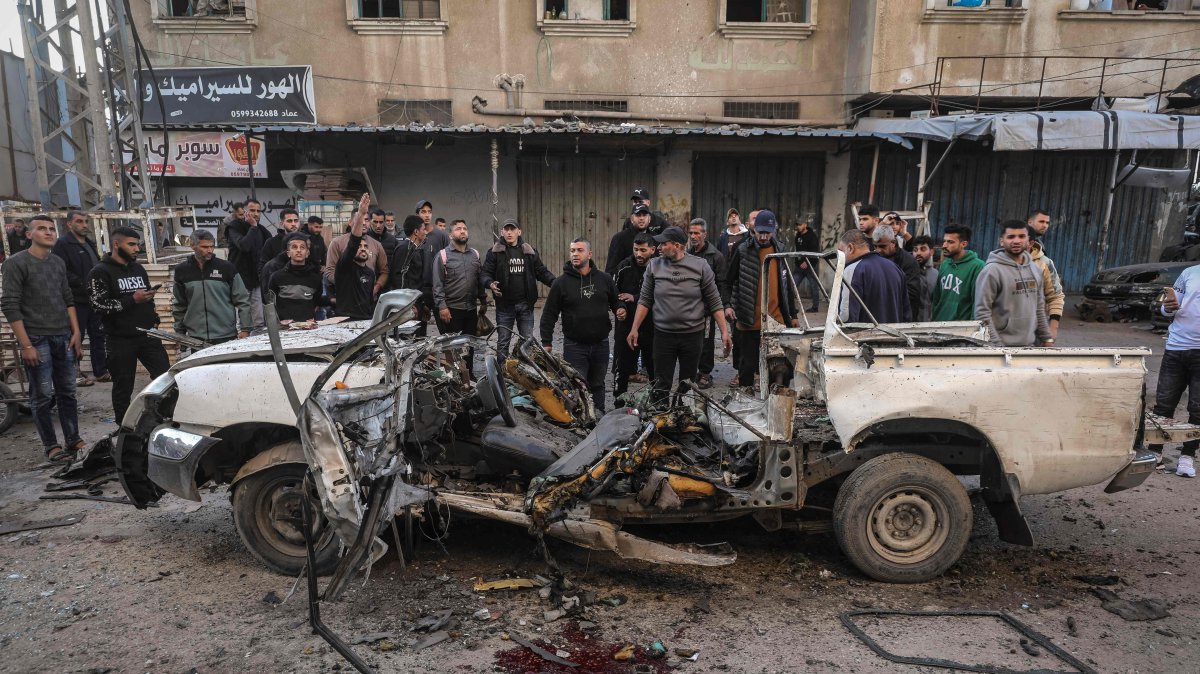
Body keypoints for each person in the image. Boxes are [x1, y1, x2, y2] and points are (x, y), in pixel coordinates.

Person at [1, 215, 83, 462]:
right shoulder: (16, 263)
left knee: (68, 392)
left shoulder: (57, 262)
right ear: (29, 234)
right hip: (37, 338)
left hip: (63, 336)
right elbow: (10, 305)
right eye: (41, 229)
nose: (48, 232)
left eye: (51, 229)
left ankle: (73, 440)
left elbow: (67, 298)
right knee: (42, 395)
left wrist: (76, 332)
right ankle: (51, 446)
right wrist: (26, 344)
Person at [629, 226, 730, 406]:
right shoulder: (654, 265)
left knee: (687, 384)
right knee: (661, 383)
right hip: (663, 335)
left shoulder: (700, 266)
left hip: (692, 335)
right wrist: (634, 328)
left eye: (663, 244)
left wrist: (724, 332)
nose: (659, 247)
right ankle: (660, 416)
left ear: (677, 246)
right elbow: (644, 300)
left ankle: (683, 416)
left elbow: (715, 301)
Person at [87, 226, 170, 423]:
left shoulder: (137, 268)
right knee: (123, 386)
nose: (136, 249)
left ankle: (164, 418)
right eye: (131, 244)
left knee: (165, 379)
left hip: (147, 335)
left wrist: (152, 314)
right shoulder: (100, 272)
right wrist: (132, 299)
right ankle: (124, 427)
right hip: (120, 339)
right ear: (116, 244)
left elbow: (145, 298)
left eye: (137, 244)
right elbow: (98, 305)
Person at [541, 239, 621, 412]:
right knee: (577, 386)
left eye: (579, 250)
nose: (575, 254)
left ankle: (599, 416)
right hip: (575, 346)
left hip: (601, 344)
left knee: (598, 384)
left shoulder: (604, 279)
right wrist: (546, 342)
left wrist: (621, 309)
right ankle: (581, 420)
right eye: (572, 251)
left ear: (589, 254)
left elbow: (616, 301)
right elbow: (549, 314)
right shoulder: (560, 283)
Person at [724, 211, 798, 390]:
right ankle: (747, 400)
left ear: (773, 231)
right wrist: (727, 305)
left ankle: (775, 400)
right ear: (753, 229)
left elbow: (786, 285)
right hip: (748, 320)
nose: (764, 237)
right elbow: (727, 282)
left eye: (767, 232)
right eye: (760, 232)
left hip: (775, 321)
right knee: (747, 368)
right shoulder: (742, 249)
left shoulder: (780, 250)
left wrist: (793, 314)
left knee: (780, 368)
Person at [1148, 264, 1200, 477]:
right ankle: (1155, 453)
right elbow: (1166, 308)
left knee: (1197, 409)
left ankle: (1187, 457)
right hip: (1176, 348)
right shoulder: (1189, 273)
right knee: (1164, 404)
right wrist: (1167, 307)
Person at [482, 218, 555, 358]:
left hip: (525, 305)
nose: (509, 232)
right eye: (506, 229)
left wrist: (556, 283)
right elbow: (485, 273)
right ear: (502, 232)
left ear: (519, 232)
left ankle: (524, 368)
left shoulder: (529, 251)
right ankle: (501, 369)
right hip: (504, 306)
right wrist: (490, 283)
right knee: (503, 342)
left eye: (512, 229)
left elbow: (541, 272)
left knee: (527, 342)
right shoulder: (494, 252)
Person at [975, 222, 1053, 347]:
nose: (1016, 241)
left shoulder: (1035, 269)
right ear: (1002, 241)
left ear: (1029, 241)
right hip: (1000, 347)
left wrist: (1047, 337)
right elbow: (982, 313)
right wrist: (997, 346)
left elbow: (1039, 307)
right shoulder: (991, 271)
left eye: (1021, 236)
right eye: (1011, 237)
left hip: (1029, 345)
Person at [51, 210, 108, 384]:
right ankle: (73, 374)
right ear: (69, 224)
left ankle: (101, 372)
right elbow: (61, 271)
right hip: (76, 300)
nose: (84, 225)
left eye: (85, 221)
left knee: (98, 335)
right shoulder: (63, 244)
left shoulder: (89, 243)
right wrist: (82, 283)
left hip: (94, 299)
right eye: (79, 221)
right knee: (76, 336)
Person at [172, 230, 251, 345]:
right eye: (204, 247)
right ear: (193, 245)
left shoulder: (226, 268)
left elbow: (242, 300)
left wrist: (246, 329)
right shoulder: (182, 271)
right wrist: (180, 331)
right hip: (195, 337)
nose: (209, 250)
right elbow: (179, 304)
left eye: (212, 246)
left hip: (225, 336)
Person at [613, 233, 656, 401]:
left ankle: (657, 402)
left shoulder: (659, 267)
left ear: (652, 250)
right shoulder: (623, 267)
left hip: (652, 325)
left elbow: (661, 294)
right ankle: (619, 401)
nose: (638, 254)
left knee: (654, 367)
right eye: (636, 249)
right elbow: (615, 294)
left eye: (643, 250)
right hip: (626, 324)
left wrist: (635, 297)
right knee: (622, 367)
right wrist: (620, 308)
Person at [687, 218, 729, 389]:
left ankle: (705, 373)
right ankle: (692, 371)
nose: (693, 236)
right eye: (691, 233)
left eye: (697, 233)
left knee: (706, 341)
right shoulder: (687, 254)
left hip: (707, 309)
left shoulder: (716, 256)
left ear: (705, 234)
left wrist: (723, 305)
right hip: (689, 307)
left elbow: (723, 283)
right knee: (691, 340)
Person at [836, 229, 909, 323]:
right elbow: (906, 312)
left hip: (866, 332)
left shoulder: (852, 270)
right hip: (894, 331)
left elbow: (846, 317)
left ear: (850, 248)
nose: (839, 257)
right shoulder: (895, 268)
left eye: (841, 252)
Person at [432, 219, 487, 341]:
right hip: (451, 311)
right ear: (450, 235)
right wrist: (442, 307)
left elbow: (479, 280)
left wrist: (483, 301)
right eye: (458, 229)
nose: (462, 231)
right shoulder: (442, 256)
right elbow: (437, 285)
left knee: (470, 346)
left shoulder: (475, 254)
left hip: (471, 309)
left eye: (464, 229)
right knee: (454, 348)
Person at [324, 198, 389, 301]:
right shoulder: (337, 243)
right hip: (346, 299)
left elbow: (384, 271)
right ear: (350, 222)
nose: (363, 223)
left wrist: (376, 287)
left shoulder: (377, 245)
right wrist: (348, 285)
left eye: (366, 220)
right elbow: (329, 271)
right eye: (360, 219)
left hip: (369, 299)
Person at [332, 194, 380, 321]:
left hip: (366, 320)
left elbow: (369, 300)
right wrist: (361, 213)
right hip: (345, 320)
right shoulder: (344, 267)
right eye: (359, 246)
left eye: (365, 246)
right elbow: (353, 242)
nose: (363, 248)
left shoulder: (370, 273)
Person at [225, 198, 271, 329]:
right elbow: (244, 245)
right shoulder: (234, 227)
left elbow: (270, 249)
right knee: (241, 318)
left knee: (258, 320)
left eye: (258, 211)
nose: (256, 214)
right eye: (252, 210)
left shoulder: (262, 230)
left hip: (256, 279)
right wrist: (253, 227)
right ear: (244, 211)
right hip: (239, 279)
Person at [931, 224, 985, 322]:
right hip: (939, 324)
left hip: (961, 327)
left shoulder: (978, 266)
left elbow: (978, 302)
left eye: (950, 242)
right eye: (944, 241)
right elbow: (936, 298)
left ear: (963, 244)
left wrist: (973, 326)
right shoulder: (945, 264)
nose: (944, 245)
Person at [268, 233, 327, 323]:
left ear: (307, 253)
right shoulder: (276, 277)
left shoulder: (315, 279)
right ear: (288, 253)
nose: (298, 250)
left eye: (302, 247)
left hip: (307, 326)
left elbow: (316, 300)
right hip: (284, 326)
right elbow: (270, 303)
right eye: (294, 247)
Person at [1026, 210, 1065, 340]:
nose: (1045, 225)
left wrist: (1052, 329)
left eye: (1047, 222)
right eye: (1041, 221)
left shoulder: (1042, 260)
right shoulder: (998, 265)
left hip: (1035, 328)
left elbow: (1055, 296)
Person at [390, 215, 431, 334]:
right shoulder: (404, 248)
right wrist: (407, 306)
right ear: (416, 232)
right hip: (409, 306)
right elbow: (399, 278)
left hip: (417, 303)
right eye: (423, 229)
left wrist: (423, 304)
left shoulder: (415, 249)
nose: (426, 232)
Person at [872, 225, 922, 322]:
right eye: (875, 246)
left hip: (901, 318)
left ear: (893, 243)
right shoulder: (874, 260)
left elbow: (912, 293)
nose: (878, 250)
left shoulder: (909, 262)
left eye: (882, 246)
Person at [258, 208, 301, 292]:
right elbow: (263, 267)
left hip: (301, 287)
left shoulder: (306, 242)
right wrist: (267, 287)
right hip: (278, 289)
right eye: (289, 221)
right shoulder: (271, 242)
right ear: (282, 223)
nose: (293, 224)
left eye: (296, 221)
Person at [605, 203, 656, 275]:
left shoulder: (655, 238)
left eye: (644, 215)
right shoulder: (619, 238)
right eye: (638, 215)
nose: (641, 218)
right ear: (631, 219)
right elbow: (611, 268)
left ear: (649, 219)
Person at [793, 220, 821, 312]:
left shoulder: (812, 236)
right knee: (792, 285)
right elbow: (798, 250)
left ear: (805, 225)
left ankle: (815, 307)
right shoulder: (798, 236)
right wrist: (798, 262)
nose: (798, 226)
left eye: (800, 224)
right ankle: (790, 307)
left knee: (814, 287)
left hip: (810, 266)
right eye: (797, 225)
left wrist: (807, 262)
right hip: (799, 267)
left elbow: (814, 251)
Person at [910, 235, 939, 322]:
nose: (918, 253)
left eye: (923, 249)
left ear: (932, 252)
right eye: (915, 250)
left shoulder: (936, 274)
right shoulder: (907, 273)